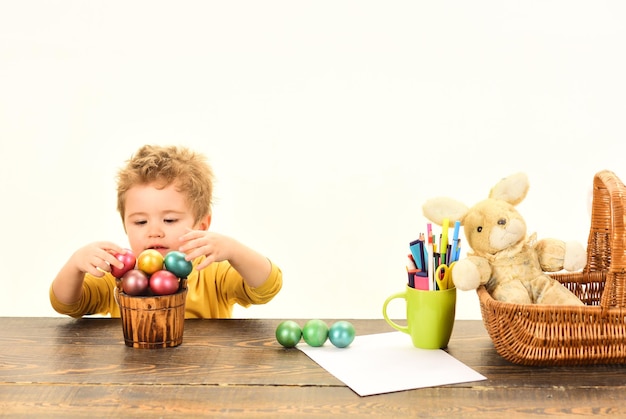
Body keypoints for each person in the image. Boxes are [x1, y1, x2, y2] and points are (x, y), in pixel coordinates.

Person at [50, 144, 282, 318]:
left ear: (201, 225)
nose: (154, 232)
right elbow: (67, 304)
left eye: (169, 220)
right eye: (140, 222)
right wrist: (75, 265)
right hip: (133, 378)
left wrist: (234, 250)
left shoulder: (210, 271)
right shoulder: (120, 274)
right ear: (125, 226)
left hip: (202, 377)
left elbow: (266, 287)